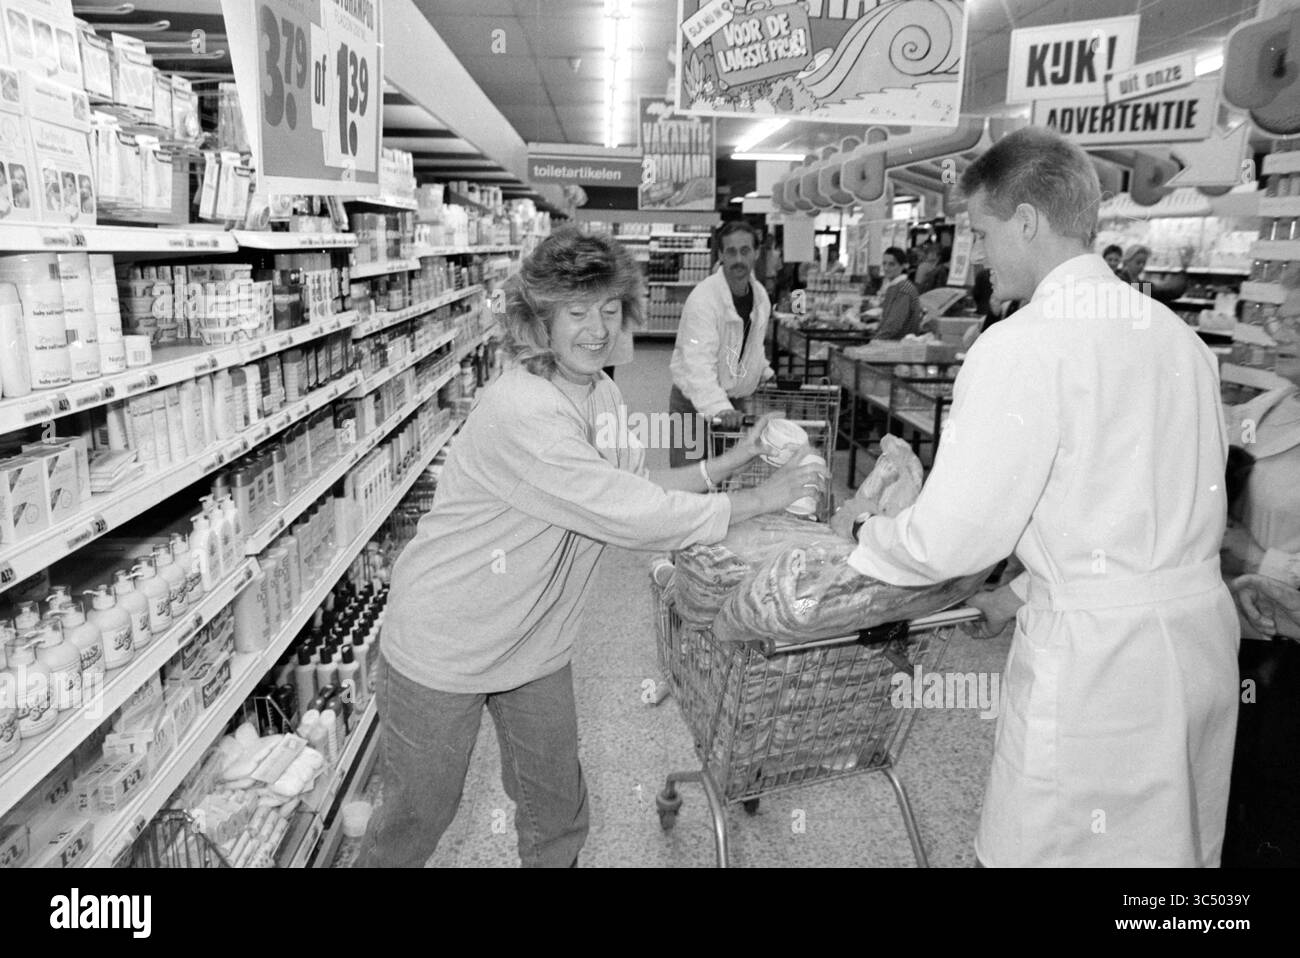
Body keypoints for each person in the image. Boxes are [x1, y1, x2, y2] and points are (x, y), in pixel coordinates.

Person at [832, 125, 1239, 867]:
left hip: (1098, 675)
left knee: (1043, 851)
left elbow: (953, 538)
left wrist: (863, 541)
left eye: (982, 233)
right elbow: (1119, 513)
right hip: (1197, 647)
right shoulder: (1177, 338)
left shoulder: (1023, 344)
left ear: (1026, 222)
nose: (978, 257)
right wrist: (1017, 597)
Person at [355, 230, 826, 868]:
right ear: (539, 319)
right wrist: (762, 500)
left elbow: (637, 487)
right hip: (446, 641)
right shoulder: (523, 411)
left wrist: (736, 459)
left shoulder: (599, 391)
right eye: (576, 313)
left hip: (534, 641)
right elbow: (633, 516)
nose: (596, 328)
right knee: (418, 817)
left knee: (557, 811)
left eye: (608, 308)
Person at [668, 220, 776, 467]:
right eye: (731, 251)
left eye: (745, 250)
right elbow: (696, 363)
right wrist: (719, 408)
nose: (739, 259)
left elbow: (750, 347)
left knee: (726, 479)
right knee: (690, 480)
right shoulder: (704, 300)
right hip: (692, 402)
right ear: (720, 255)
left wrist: (766, 373)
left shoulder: (760, 297)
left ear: (757, 253)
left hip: (732, 403)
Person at [872, 246, 922, 340]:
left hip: (899, 345)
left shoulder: (903, 290)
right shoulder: (894, 287)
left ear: (903, 266)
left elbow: (893, 325)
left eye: (892, 264)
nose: (886, 268)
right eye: (884, 263)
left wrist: (874, 342)